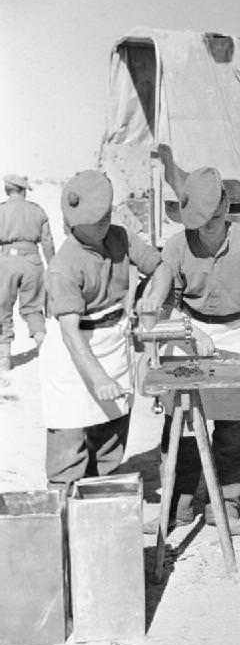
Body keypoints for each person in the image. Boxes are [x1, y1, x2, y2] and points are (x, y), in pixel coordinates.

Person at [144, 157, 240, 536]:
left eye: (211, 220)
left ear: (226, 208)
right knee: (184, 424)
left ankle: (224, 502)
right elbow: (164, 304)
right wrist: (186, 332)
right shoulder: (177, 245)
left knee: (237, 426)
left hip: (239, 332)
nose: (204, 230)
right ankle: (177, 503)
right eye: (196, 222)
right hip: (188, 331)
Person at [39, 170, 163, 494]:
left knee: (109, 441)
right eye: (97, 220)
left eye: (107, 214)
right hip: (74, 353)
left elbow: (159, 267)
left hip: (113, 342)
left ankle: (102, 507)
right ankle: (64, 520)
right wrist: (98, 379)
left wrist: (150, 303)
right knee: (68, 447)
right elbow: (70, 336)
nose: (105, 223)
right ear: (74, 223)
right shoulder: (63, 266)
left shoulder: (121, 237)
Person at [0, 174, 55, 371]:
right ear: (23, 190)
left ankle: (4, 360)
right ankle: (45, 352)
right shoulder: (37, 211)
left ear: (7, 190)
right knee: (33, 308)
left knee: (2, 309)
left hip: (7, 261)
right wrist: (52, 267)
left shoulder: (1, 211)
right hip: (33, 260)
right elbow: (47, 241)